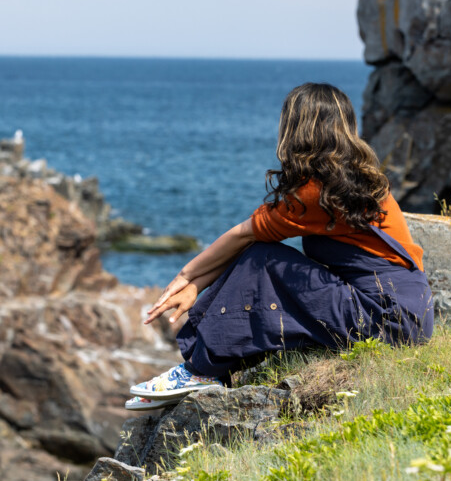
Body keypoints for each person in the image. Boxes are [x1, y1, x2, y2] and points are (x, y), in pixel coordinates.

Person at [125, 83, 434, 411]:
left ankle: (200, 371)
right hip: (408, 316)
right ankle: (206, 365)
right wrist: (197, 283)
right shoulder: (358, 184)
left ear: (296, 129)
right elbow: (251, 236)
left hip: (385, 317)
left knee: (262, 260)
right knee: (262, 257)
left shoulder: (317, 194)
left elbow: (245, 235)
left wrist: (188, 278)